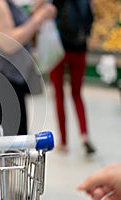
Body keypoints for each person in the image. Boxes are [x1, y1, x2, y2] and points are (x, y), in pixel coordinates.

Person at [0, 0, 56, 136]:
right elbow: (8, 42)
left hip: (10, 77)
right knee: (12, 142)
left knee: (14, 139)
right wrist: (39, 17)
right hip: (3, 79)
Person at [50, 0, 95, 154]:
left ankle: (63, 142)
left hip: (58, 50)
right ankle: (84, 135)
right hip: (80, 49)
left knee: (59, 94)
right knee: (77, 93)